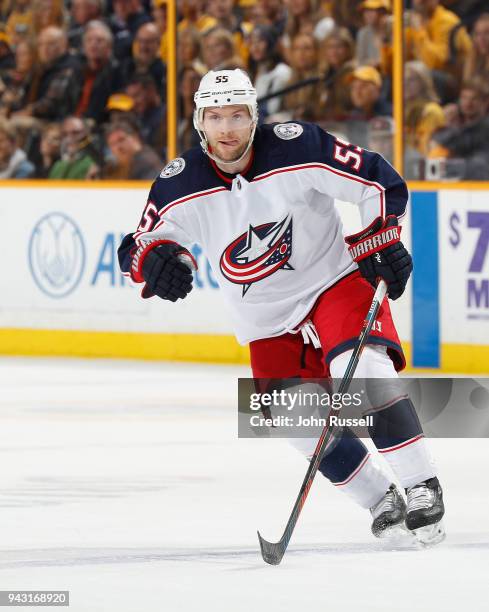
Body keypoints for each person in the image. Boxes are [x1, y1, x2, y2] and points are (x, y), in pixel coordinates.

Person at [118, 69, 446, 545]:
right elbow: (142, 242)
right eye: (215, 116)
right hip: (265, 317)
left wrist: (380, 238)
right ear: (199, 122)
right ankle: (382, 500)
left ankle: (422, 485)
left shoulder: (298, 146)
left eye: (237, 114)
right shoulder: (178, 183)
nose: (227, 128)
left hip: (332, 281)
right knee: (291, 418)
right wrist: (156, 261)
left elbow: (376, 180)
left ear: (255, 116)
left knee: (365, 370)